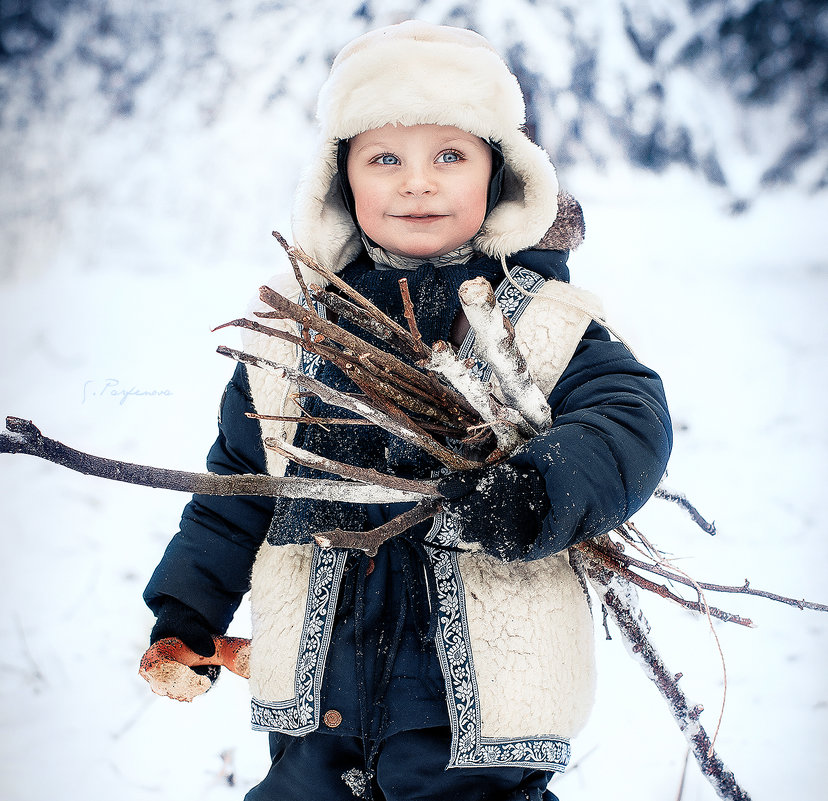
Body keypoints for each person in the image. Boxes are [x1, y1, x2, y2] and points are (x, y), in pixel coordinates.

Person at [142, 20, 672, 801]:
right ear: (340, 179)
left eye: (449, 157)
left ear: (500, 172)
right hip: (314, 714)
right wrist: (187, 606)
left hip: (474, 722)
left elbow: (627, 420)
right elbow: (238, 487)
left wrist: (537, 490)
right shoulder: (298, 335)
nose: (416, 182)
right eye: (384, 158)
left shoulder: (544, 320)